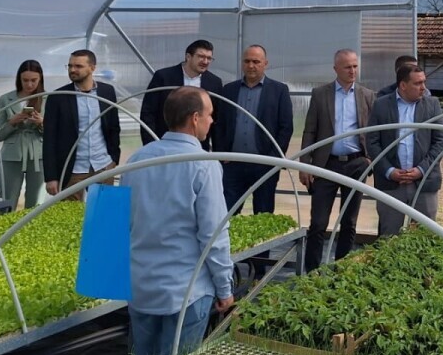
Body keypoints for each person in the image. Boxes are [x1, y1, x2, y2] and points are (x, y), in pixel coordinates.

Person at [122, 87, 234, 355]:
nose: (212, 121)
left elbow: (125, 223)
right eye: (210, 115)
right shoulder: (203, 164)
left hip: (142, 285)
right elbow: (213, 234)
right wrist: (225, 287)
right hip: (186, 291)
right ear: (195, 118)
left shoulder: (137, 160)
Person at [299, 49, 376, 271]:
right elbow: (310, 131)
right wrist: (305, 164)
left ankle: (341, 270)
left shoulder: (367, 95)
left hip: (356, 164)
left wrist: (369, 159)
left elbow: (374, 131)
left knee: (349, 222)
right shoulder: (320, 94)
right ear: (336, 69)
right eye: (347, 67)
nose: (352, 71)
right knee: (318, 223)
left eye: (355, 66)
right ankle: (312, 273)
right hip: (326, 165)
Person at [367, 64, 443, 236]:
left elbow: (440, 141)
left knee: (425, 237)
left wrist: (421, 169)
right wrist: (389, 171)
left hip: (424, 183)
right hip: (391, 184)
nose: (423, 87)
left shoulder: (432, 105)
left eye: (424, 82)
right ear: (403, 85)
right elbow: (372, 142)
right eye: (417, 83)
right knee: (389, 236)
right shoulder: (381, 105)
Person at [217, 44, 293, 215]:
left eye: (256, 61)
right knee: (227, 213)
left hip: (264, 165)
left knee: (263, 213)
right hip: (233, 165)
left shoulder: (279, 90)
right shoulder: (229, 90)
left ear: (265, 63)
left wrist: (273, 159)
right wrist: (222, 154)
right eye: (247, 61)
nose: (251, 65)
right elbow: (220, 124)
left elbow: (286, 127)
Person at [43, 49, 122, 200]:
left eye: (78, 66)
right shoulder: (58, 97)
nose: (72, 70)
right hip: (73, 169)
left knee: (102, 210)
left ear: (92, 68)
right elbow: (49, 139)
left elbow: (113, 127)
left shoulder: (107, 92)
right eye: (70, 66)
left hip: (102, 166)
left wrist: (114, 159)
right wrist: (51, 177)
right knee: (70, 213)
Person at [138, 40, 224, 150]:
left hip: (199, 148)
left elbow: (217, 120)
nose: (205, 61)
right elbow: (148, 113)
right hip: (164, 145)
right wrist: (151, 145)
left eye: (209, 58)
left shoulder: (214, 82)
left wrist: (217, 152)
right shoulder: (163, 77)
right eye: (201, 56)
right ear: (188, 56)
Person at [0, 60, 46, 209]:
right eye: (25, 80)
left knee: (36, 202)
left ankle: (32, 224)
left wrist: (41, 123)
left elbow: (55, 134)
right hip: (12, 154)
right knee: (7, 200)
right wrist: (12, 122)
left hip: (39, 155)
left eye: (33, 80)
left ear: (40, 79)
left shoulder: (47, 98)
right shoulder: (6, 99)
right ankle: (5, 224)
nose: (29, 84)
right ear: (19, 79)